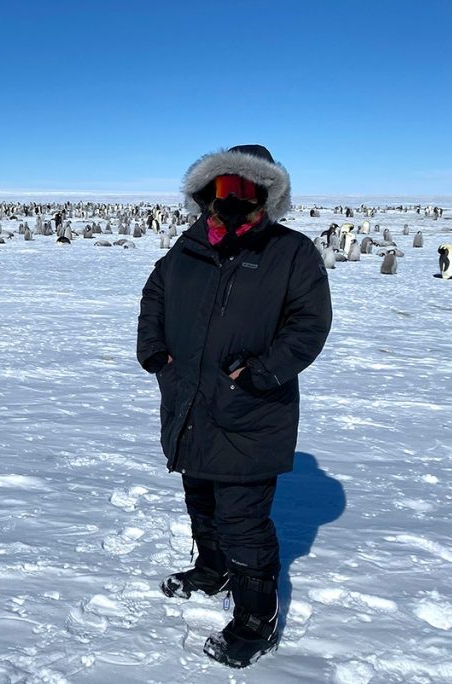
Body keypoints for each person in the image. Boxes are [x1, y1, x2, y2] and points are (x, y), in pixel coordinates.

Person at [137, 144, 332, 668]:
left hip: (251, 410)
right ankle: (211, 568)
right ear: (206, 193)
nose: (231, 200)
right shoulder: (190, 245)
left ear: (267, 195)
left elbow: (310, 324)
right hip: (188, 402)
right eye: (222, 188)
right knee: (200, 494)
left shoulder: (290, 251)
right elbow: (155, 293)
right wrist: (157, 354)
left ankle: (254, 617)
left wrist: (261, 373)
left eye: (246, 190)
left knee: (243, 518)